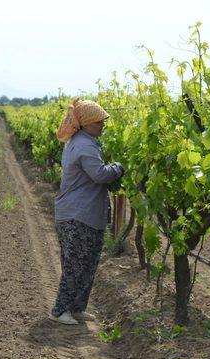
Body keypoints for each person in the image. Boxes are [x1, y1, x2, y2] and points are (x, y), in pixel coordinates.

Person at [50, 99, 124, 325]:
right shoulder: (84, 145)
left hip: (81, 213)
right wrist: (118, 167)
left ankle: (77, 307)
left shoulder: (82, 141)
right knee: (76, 265)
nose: (103, 125)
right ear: (88, 123)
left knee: (87, 263)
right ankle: (60, 310)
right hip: (78, 214)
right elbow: (100, 175)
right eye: (100, 122)